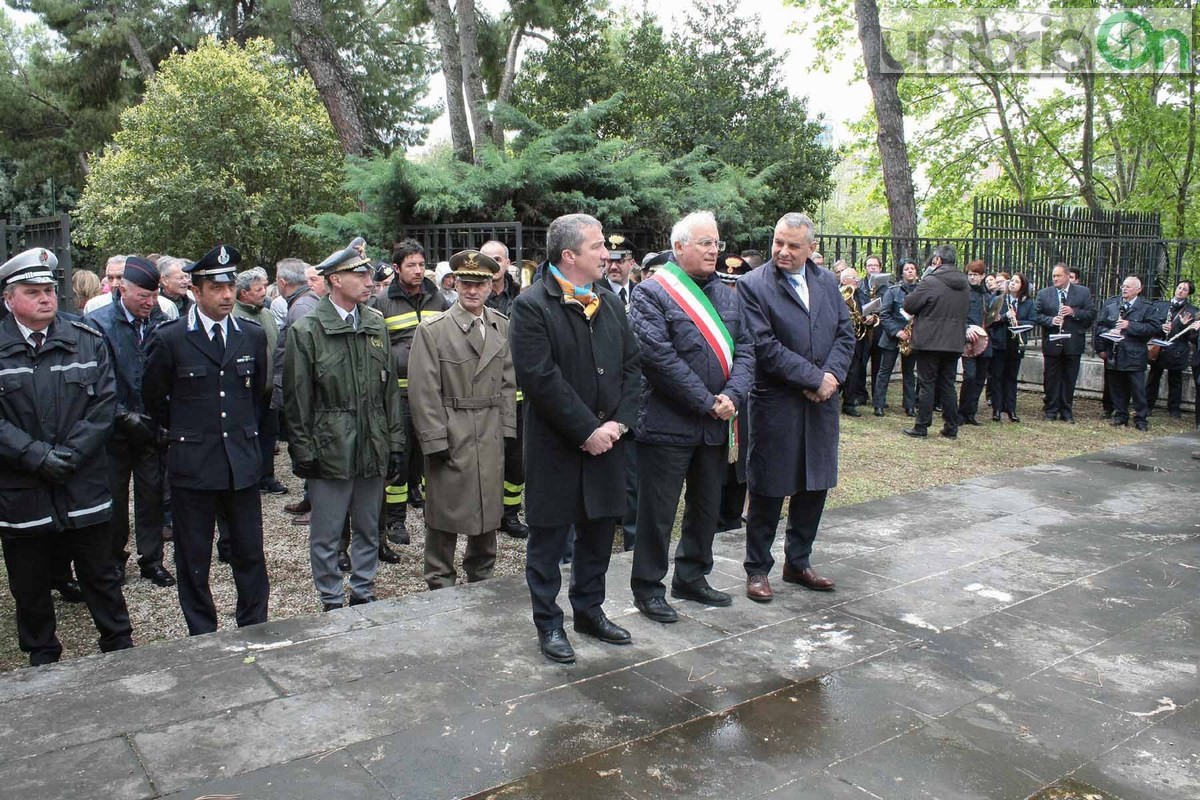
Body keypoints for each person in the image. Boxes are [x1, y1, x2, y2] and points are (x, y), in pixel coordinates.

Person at [509, 213, 641, 664]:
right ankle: (549, 623)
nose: (608, 254)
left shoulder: (608, 299)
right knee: (548, 541)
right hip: (558, 450)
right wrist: (587, 430)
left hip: (609, 445)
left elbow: (632, 368)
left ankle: (589, 610)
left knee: (598, 533)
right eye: (598, 246)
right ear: (569, 256)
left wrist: (618, 425)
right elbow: (540, 379)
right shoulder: (530, 306)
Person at [0, 248, 133, 666]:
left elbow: (105, 404)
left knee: (101, 572)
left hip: (82, 480)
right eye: (33, 291)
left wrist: (71, 453)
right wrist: (35, 455)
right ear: (9, 299)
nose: (45, 298)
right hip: (23, 485)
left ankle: (118, 642)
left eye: (49, 290)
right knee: (30, 581)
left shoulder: (86, 340)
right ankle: (41, 653)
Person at [628, 211, 753, 623]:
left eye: (716, 242)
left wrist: (733, 395)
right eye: (704, 242)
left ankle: (692, 576)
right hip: (668, 424)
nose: (713, 250)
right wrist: (706, 401)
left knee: (706, 506)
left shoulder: (730, 294)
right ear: (679, 246)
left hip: (716, 424)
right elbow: (657, 358)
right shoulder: (651, 293)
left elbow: (747, 350)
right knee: (658, 512)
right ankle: (648, 587)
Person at [143, 245, 271, 635]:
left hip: (241, 463)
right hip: (193, 463)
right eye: (216, 288)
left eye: (230, 286)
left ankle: (254, 623)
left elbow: (258, 398)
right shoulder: (171, 339)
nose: (227, 295)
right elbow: (154, 399)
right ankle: (201, 630)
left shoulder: (250, 336)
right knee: (193, 556)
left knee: (249, 552)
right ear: (195, 293)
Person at [737, 213, 854, 602]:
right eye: (778, 243)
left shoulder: (826, 281)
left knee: (814, 484)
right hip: (777, 403)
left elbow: (844, 333)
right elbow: (764, 346)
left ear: (812, 249)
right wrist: (813, 378)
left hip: (821, 404)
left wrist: (832, 378)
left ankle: (798, 561)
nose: (783, 252)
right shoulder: (753, 285)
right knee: (770, 486)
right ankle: (757, 568)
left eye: (793, 246)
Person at [284, 237, 405, 611]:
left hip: (372, 443)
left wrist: (396, 441)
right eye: (361, 274)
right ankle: (332, 598)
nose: (370, 281)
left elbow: (389, 393)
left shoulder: (374, 324)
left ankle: (363, 590)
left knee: (370, 526)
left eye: (370, 274)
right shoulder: (306, 331)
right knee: (328, 531)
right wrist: (302, 448)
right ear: (336, 279)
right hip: (329, 447)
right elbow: (297, 397)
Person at [408, 250, 516, 589]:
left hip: (488, 430)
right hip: (452, 427)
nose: (473, 290)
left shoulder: (501, 325)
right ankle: (439, 580)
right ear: (454, 284)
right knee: (444, 512)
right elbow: (423, 391)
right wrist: (435, 439)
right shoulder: (433, 330)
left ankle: (482, 575)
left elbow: (508, 382)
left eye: (480, 284)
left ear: (490, 285)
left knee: (486, 510)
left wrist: (507, 430)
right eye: (467, 283)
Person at [85, 255, 174, 588]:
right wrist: (123, 415)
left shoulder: (162, 320)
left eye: (154, 296)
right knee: (115, 499)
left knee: (152, 496)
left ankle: (152, 559)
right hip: (113, 431)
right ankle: (114, 559)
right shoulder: (98, 324)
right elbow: (96, 381)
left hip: (151, 428)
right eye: (143, 297)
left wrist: (162, 419)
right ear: (123, 289)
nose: (149, 303)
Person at [371, 239, 450, 544]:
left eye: (421, 265)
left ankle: (437, 513)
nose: (418, 271)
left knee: (433, 454)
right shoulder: (382, 303)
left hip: (433, 394)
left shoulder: (437, 299)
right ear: (396, 268)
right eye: (411, 266)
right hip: (399, 396)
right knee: (400, 460)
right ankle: (394, 520)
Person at [480, 240, 530, 540]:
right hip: (483, 391)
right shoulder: (473, 296)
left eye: (498, 259)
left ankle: (509, 514)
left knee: (516, 460)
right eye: (487, 259)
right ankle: (486, 511)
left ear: (508, 262)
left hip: (518, 393)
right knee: (486, 456)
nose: (493, 265)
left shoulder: (522, 297)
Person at [902, 245, 970, 439]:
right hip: (954, 341)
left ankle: (922, 426)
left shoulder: (930, 281)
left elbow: (910, 304)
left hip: (930, 340)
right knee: (948, 384)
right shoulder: (964, 283)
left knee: (927, 383)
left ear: (938, 261)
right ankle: (951, 426)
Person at [232, 268, 284, 494]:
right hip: (248, 390)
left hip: (270, 388)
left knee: (268, 434)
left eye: (264, 287)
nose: (264, 292)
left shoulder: (266, 313)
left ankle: (266, 476)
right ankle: (249, 478)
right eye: (258, 289)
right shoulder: (234, 317)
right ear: (243, 293)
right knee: (247, 435)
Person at [1033, 263, 1095, 423]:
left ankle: (1066, 411)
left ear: (1068, 276)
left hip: (1073, 342)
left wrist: (1074, 312)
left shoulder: (1082, 292)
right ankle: (1051, 410)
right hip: (1052, 342)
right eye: (1053, 276)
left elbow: (1091, 314)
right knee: (1051, 377)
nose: (1055, 279)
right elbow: (1036, 315)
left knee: (1069, 378)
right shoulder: (1044, 294)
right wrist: (1051, 320)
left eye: (1058, 276)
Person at [1095, 276, 1158, 431]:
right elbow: (1100, 327)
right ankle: (1120, 415)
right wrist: (1108, 333)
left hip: (1134, 355)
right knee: (1116, 388)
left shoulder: (1146, 308)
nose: (1124, 289)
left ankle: (1141, 419)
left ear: (1138, 289)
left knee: (1137, 389)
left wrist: (1130, 325)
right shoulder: (1112, 305)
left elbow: (1153, 328)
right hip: (1114, 354)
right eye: (1123, 286)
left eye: (1128, 287)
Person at [987, 273, 1035, 421]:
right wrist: (1004, 317)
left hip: (1015, 344)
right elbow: (990, 320)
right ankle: (997, 409)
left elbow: (1032, 322)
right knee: (997, 376)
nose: (1013, 283)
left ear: (1023, 286)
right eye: (1012, 281)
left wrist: (1017, 322)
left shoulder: (1028, 303)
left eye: (1017, 282)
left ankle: (1011, 409)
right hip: (1000, 343)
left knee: (1011, 377)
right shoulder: (999, 300)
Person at [874, 259, 918, 417]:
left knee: (909, 373)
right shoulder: (892, 291)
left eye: (912, 268)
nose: (910, 271)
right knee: (884, 371)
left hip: (911, 338)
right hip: (892, 337)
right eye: (907, 269)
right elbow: (884, 315)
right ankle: (878, 404)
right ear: (902, 272)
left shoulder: (921, 291)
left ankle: (909, 405)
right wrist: (897, 331)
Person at [1146, 280, 1196, 419]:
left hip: (1177, 349)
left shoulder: (1192, 311)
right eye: (1179, 287)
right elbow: (1151, 323)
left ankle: (1174, 408)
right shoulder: (1161, 305)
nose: (1180, 291)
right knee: (1153, 377)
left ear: (1188, 293)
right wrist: (1161, 327)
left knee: (1175, 380)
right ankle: (1148, 405)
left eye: (1184, 289)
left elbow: (1192, 337)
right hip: (1160, 347)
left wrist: (1183, 325)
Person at [84, 254, 180, 319]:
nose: (115, 284)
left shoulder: (166, 307)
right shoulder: (94, 306)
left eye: (120, 277)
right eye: (110, 278)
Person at [957, 259, 993, 426]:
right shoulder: (963, 293)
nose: (972, 278)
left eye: (975, 275)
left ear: (983, 276)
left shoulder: (987, 296)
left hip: (985, 342)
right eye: (970, 274)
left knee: (980, 378)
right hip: (969, 342)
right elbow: (957, 316)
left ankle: (971, 412)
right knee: (969, 376)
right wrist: (966, 328)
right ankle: (962, 412)